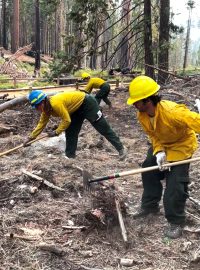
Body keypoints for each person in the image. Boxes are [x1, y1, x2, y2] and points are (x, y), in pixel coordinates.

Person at [126, 75, 200, 239]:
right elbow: (153, 135)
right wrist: (159, 151)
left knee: (175, 185)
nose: (134, 105)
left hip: (182, 146)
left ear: (148, 100)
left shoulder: (173, 112)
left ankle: (176, 221)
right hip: (163, 145)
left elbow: (198, 121)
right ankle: (150, 206)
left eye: (137, 101)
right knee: (148, 168)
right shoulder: (142, 115)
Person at [24, 90, 127, 160]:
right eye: (35, 107)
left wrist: (57, 132)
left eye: (37, 106)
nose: (37, 109)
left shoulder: (55, 103)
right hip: (75, 110)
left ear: (43, 101)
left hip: (87, 103)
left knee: (102, 127)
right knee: (71, 132)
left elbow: (66, 120)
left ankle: (121, 148)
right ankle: (70, 156)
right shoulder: (46, 110)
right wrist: (30, 138)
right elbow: (41, 124)